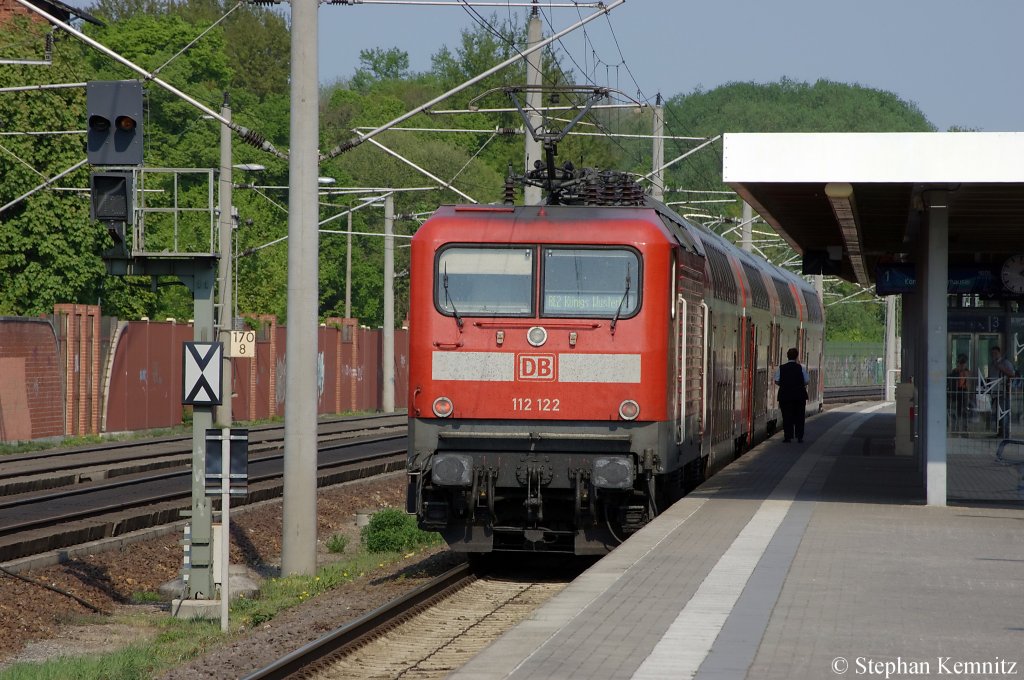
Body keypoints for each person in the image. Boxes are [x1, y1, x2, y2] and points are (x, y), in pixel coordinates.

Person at [774, 347, 810, 443]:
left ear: (787, 356)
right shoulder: (801, 368)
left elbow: (776, 380)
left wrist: (784, 385)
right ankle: (799, 436)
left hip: (785, 396)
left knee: (786, 416)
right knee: (800, 416)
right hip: (799, 396)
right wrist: (799, 385)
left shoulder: (781, 368)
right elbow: (807, 380)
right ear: (796, 356)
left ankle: (788, 437)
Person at [989, 346, 1015, 438]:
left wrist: (1001, 367)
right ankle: (1000, 431)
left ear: (999, 353)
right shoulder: (992, 364)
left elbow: (1012, 374)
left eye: (996, 353)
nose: (994, 355)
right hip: (995, 391)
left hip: (1003, 391)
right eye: (992, 354)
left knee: (1004, 412)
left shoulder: (1005, 362)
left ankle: (1005, 433)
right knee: (997, 413)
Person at [947, 354, 970, 434]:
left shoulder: (966, 372)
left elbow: (968, 382)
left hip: (963, 392)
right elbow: (950, 381)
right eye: (960, 363)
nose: (962, 365)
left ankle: (964, 429)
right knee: (954, 411)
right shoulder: (954, 372)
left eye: (963, 363)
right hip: (955, 392)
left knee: (964, 411)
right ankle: (954, 428)